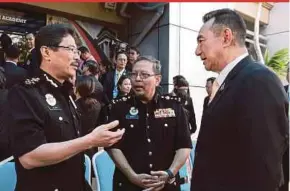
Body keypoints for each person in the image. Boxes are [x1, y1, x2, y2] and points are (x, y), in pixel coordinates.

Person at [7, 24, 125, 191]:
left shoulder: (67, 92)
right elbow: (30, 157)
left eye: (77, 51)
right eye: (70, 49)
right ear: (46, 52)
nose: (76, 57)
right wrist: (90, 140)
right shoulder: (25, 94)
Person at [191, 9, 289, 191]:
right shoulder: (229, 82)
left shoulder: (258, 81)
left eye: (201, 41)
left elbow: (265, 170)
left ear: (226, 37)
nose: (197, 51)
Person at [106, 56, 192, 191]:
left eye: (144, 75)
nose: (137, 79)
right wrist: (132, 176)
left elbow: (184, 145)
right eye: (134, 74)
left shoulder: (173, 106)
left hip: (166, 185)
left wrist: (170, 173)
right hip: (129, 185)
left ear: (157, 80)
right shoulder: (119, 107)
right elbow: (112, 146)